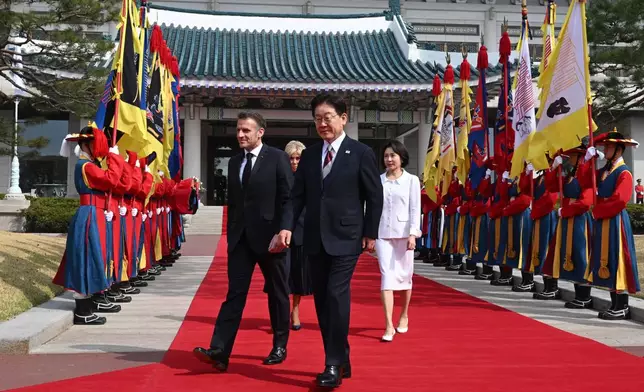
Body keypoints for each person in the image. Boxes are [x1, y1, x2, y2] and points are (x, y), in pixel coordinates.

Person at [291, 94, 383, 388]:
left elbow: (374, 196)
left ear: (344, 117)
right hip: (314, 238)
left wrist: (371, 233)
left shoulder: (360, 152)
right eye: (318, 118)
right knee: (321, 301)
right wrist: (286, 227)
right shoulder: (309, 155)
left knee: (335, 293)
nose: (322, 123)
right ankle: (342, 357)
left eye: (328, 116)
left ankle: (331, 364)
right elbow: (297, 197)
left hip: (347, 237)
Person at [193, 112, 293, 372]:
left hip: (272, 239)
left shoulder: (277, 158)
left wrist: (284, 229)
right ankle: (220, 351)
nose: (240, 135)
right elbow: (236, 203)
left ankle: (280, 344)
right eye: (238, 130)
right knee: (234, 294)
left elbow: (288, 197)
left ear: (260, 132)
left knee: (278, 293)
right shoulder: (234, 161)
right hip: (240, 241)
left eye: (246, 130)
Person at [53, 126, 123, 324]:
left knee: (95, 256)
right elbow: (112, 180)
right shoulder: (87, 166)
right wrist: (115, 158)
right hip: (90, 214)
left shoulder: (89, 165)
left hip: (95, 213)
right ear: (86, 145)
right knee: (87, 258)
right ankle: (83, 311)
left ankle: (89, 304)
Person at [584, 131, 640, 320]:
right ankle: (614, 303)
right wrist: (588, 161)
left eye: (608, 147)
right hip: (604, 219)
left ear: (618, 149)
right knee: (605, 259)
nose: (605, 149)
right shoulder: (605, 171)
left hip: (615, 220)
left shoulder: (624, 173)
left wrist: (598, 211)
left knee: (618, 260)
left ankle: (622, 305)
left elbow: (619, 200)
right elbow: (585, 182)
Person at [375, 140, 421, 342]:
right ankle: (388, 325)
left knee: (404, 278)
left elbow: (415, 208)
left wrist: (413, 234)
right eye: (386, 156)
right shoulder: (378, 180)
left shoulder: (411, 180)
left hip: (404, 235)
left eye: (393, 155)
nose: (389, 159)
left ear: (401, 158)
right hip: (383, 234)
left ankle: (404, 314)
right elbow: (373, 208)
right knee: (386, 278)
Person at [540, 144, 593, 308]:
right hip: (568, 217)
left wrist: (567, 210)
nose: (570, 158)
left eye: (574, 156)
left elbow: (585, 202)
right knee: (568, 253)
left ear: (580, 157)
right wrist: (553, 168)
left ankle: (584, 295)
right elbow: (552, 186)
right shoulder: (571, 174)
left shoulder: (587, 174)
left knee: (581, 254)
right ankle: (578, 294)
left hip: (579, 218)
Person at [284, 140, 313, 331]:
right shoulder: (280, 178)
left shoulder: (310, 179)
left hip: (303, 232)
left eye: (298, 158)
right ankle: (281, 311)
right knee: (281, 276)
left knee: (298, 276)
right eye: (291, 158)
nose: (294, 162)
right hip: (281, 233)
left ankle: (294, 309)